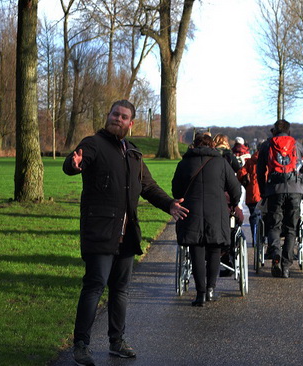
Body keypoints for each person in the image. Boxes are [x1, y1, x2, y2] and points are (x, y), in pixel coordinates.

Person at [63, 100, 189, 366]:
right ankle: (81, 345)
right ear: (108, 116)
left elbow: (149, 186)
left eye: (123, 117)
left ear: (131, 124)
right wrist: (74, 165)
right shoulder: (94, 144)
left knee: (120, 290)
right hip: (100, 231)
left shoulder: (132, 152)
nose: (117, 119)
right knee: (95, 286)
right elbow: (75, 162)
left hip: (127, 233)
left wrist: (169, 205)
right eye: (114, 114)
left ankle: (116, 341)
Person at [172, 134, 241, 306]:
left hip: (191, 211)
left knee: (197, 252)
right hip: (216, 212)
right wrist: (233, 203)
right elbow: (235, 188)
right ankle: (210, 289)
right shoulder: (221, 163)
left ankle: (200, 294)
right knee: (214, 250)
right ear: (212, 146)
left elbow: (176, 191)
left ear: (194, 145)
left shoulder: (184, 163)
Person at [256, 120, 303, 279]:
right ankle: (286, 266)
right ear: (288, 130)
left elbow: (260, 171)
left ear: (274, 131)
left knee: (273, 225)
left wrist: (263, 191)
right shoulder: (297, 146)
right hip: (295, 190)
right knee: (291, 228)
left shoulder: (267, 145)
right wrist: (302, 191)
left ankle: (276, 254)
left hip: (274, 190)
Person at [236, 143, 262, 245]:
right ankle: (264, 239)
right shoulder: (270, 159)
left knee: (254, 216)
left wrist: (245, 182)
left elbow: (240, 173)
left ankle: (255, 238)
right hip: (266, 193)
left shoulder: (251, 160)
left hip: (253, 193)